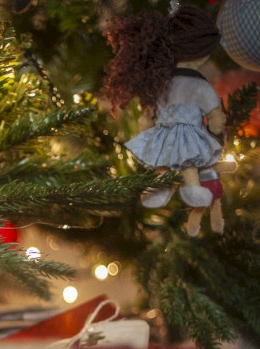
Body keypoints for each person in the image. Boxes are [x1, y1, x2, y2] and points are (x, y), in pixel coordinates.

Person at [102, 3, 227, 234]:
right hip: (190, 134)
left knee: (163, 163)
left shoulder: (161, 83)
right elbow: (214, 114)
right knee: (189, 164)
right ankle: (191, 189)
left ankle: (159, 188)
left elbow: (150, 112)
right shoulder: (199, 85)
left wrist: (146, 125)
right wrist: (217, 123)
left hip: (165, 133)